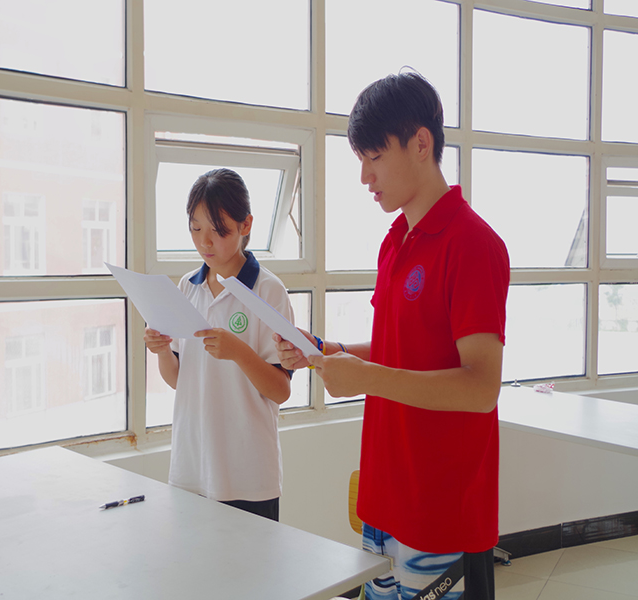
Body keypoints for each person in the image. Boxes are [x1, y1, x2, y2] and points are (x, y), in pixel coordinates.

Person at [275, 72, 509, 599]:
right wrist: (327, 352)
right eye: (361, 160)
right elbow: (399, 350)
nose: (365, 177)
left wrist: (364, 378)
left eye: (374, 157)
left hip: (439, 513)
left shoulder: (473, 245)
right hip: (383, 501)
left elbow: (480, 387)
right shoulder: (396, 241)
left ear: (421, 143)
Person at [145, 167, 293, 522]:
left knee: (252, 560)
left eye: (218, 230)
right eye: (196, 229)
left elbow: (281, 390)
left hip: (247, 476)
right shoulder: (187, 286)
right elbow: (180, 380)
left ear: (246, 225)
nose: (205, 242)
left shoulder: (268, 291)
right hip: (192, 468)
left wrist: (238, 352)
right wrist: (162, 349)